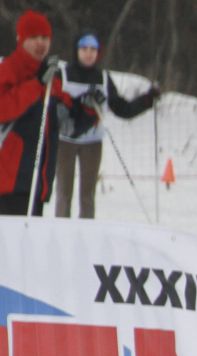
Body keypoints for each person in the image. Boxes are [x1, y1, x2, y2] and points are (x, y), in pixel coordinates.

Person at [54, 31, 157, 219]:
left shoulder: (103, 78)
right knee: (63, 193)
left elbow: (122, 109)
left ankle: (87, 232)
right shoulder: (64, 75)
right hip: (65, 142)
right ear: (76, 51)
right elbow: (54, 106)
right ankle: (62, 231)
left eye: (93, 49)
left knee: (87, 195)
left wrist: (147, 100)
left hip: (92, 143)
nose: (88, 53)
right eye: (84, 49)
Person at [0, 10, 70, 217]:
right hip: (10, 178)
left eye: (45, 38)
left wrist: (79, 107)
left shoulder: (51, 74)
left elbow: (62, 116)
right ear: (21, 39)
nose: (40, 43)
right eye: (34, 37)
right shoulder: (10, 69)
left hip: (38, 178)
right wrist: (36, 85)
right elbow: (4, 109)